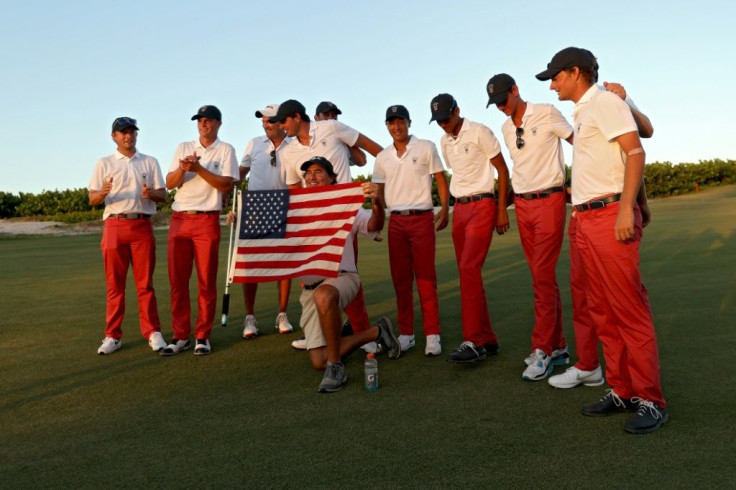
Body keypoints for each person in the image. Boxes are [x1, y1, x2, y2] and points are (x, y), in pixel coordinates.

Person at [537, 47, 667, 434]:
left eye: (556, 77)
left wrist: (629, 207)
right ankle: (623, 389)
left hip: (610, 216)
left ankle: (651, 400)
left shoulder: (605, 102)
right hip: (584, 218)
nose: (553, 84)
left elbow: (635, 151)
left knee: (628, 309)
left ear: (576, 72)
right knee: (601, 309)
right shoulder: (585, 109)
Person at [269, 99, 384, 351]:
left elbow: (369, 149)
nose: (281, 127)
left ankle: (362, 331)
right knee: (310, 277)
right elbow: (294, 190)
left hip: (343, 214)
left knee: (343, 273)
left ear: (297, 117)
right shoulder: (288, 152)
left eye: (283, 122)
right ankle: (320, 333)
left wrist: (386, 179)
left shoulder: (331, 127)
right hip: (313, 221)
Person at [486, 73, 572, 380]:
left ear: (516, 90)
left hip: (550, 199)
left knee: (542, 278)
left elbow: (580, 143)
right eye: (495, 104)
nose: (500, 107)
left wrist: (579, 183)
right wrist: (503, 207)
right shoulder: (506, 127)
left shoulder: (547, 112)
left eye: (503, 100)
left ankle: (543, 351)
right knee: (543, 277)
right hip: (522, 205)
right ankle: (559, 346)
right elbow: (515, 168)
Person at [297, 156, 400, 393]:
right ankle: (377, 331)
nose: (312, 176)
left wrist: (376, 203)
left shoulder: (346, 205)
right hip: (310, 288)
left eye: (319, 171)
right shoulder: (297, 208)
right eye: (308, 172)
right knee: (317, 360)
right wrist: (238, 219)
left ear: (332, 178)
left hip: (343, 278)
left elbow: (373, 226)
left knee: (324, 296)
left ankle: (336, 367)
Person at [430, 93, 510, 363]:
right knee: (469, 274)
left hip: (483, 205)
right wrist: (448, 210)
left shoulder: (479, 131)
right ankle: (487, 338)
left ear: (457, 110)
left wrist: (501, 210)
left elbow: (502, 170)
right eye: (439, 120)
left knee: (468, 268)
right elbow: (458, 174)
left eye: (447, 118)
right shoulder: (444, 141)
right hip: (460, 209)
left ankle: (473, 341)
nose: (444, 124)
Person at [161, 105, 239, 356]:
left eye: (208, 121)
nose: (203, 124)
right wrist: (184, 168)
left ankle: (202, 336)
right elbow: (170, 184)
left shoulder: (226, 150)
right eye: (200, 121)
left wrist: (200, 170)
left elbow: (227, 185)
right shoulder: (184, 147)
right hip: (180, 219)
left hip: (207, 220)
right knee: (178, 281)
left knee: (206, 281)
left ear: (218, 123)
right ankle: (181, 335)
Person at [372, 104, 449, 356]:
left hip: (421, 219)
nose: (397, 127)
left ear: (409, 122)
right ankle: (407, 334)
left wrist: (445, 208)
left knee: (426, 279)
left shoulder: (426, 146)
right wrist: (378, 221)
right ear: (387, 126)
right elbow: (377, 193)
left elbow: (439, 178)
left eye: (401, 122)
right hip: (396, 221)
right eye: (392, 123)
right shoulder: (382, 157)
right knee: (401, 281)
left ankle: (432, 334)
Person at [89, 117, 167, 355]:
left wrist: (150, 193)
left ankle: (152, 332)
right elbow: (92, 199)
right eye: (123, 132)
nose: (128, 136)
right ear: (114, 136)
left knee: (145, 285)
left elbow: (163, 195)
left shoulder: (149, 162)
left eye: (132, 132)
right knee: (115, 286)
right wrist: (102, 193)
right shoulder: (104, 163)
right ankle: (113, 335)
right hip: (115, 225)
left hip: (141, 225)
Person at [238, 104, 294, 339]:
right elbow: (239, 175)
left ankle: (282, 314)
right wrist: (233, 201)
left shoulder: (294, 145)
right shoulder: (254, 143)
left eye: (269, 120)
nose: (265, 124)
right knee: (252, 265)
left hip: (286, 207)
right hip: (256, 209)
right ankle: (249, 317)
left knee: (284, 264)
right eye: (263, 120)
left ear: (281, 122)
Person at [314, 101, 367, 167]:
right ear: (316, 118)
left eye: (334, 115)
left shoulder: (340, 140)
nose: (330, 118)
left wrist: (346, 140)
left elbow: (362, 161)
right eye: (326, 114)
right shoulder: (308, 138)